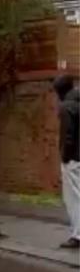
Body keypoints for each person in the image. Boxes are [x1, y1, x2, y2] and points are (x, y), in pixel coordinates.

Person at [53, 75, 80, 249]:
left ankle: (77, 235)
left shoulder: (66, 107)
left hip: (74, 159)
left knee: (73, 198)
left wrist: (65, 157)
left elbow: (68, 136)